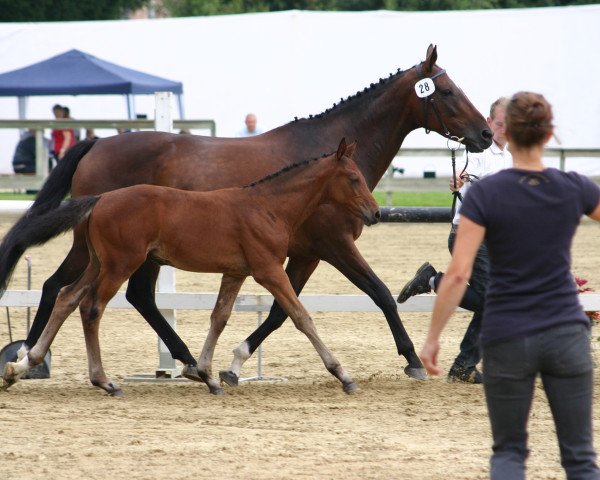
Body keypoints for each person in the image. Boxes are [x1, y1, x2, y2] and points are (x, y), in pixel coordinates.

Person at [420, 91, 600, 479]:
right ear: (548, 135)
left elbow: (457, 275)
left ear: (507, 134)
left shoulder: (485, 194)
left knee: (509, 454)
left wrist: (433, 337)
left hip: (508, 333)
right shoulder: (575, 187)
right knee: (581, 458)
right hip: (566, 331)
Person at [397, 97, 512, 384]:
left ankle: (464, 365)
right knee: (492, 299)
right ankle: (434, 283)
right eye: (500, 123)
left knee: (495, 300)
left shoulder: (508, 159)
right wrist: (458, 180)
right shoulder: (480, 151)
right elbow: (465, 173)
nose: (504, 129)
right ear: (488, 123)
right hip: (467, 234)